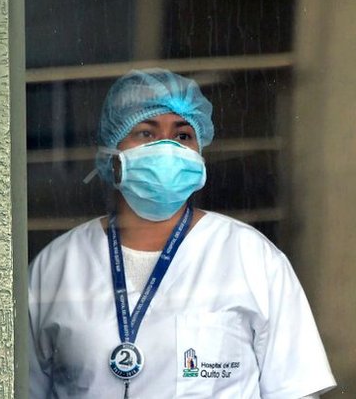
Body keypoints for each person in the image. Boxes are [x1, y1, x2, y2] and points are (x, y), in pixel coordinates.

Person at [29, 69, 336, 398]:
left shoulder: (252, 258)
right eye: (146, 133)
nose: (166, 148)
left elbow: (294, 390)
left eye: (183, 136)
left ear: (199, 154)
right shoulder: (57, 266)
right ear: (111, 153)